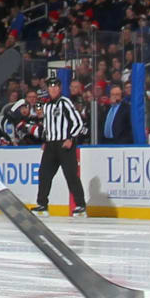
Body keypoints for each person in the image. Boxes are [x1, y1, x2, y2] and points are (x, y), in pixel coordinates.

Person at [30, 76, 87, 217]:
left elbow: (78, 122)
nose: (53, 89)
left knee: (71, 175)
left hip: (64, 145)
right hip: (51, 145)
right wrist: (45, 139)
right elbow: (47, 125)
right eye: (51, 87)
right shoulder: (47, 105)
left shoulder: (65, 102)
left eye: (56, 87)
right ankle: (42, 205)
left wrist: (70, 138)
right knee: (44, 174)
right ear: (48, 89)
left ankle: (80, 205)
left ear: (60, 88)